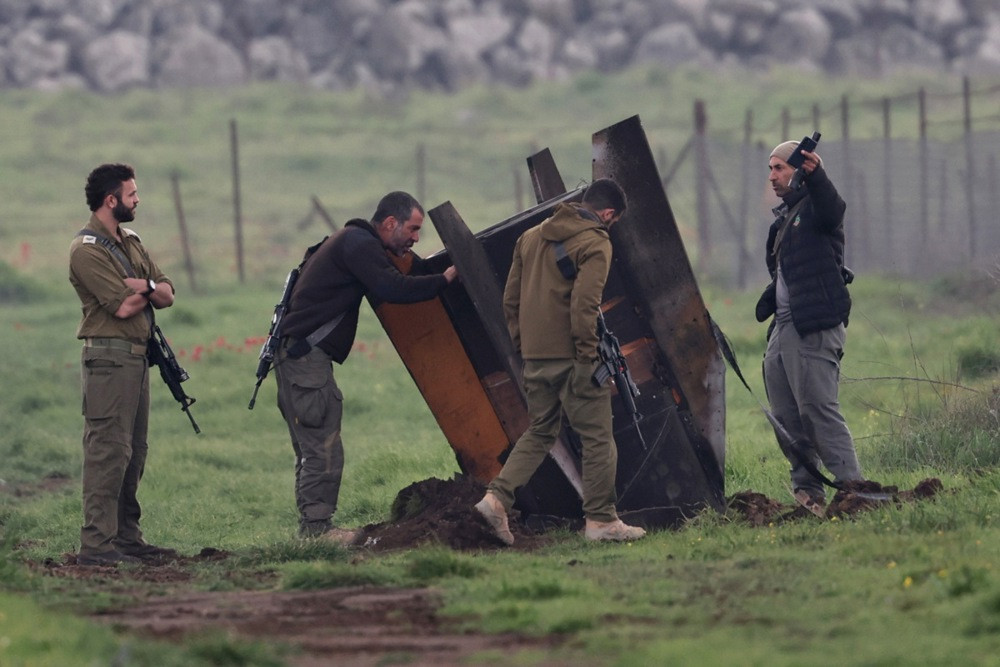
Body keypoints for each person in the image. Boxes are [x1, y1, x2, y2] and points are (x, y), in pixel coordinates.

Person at [275, 191, 458, 543]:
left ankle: (312, 527)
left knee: (315, 446)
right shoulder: (359, 245)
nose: (416, 238)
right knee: (323, 447)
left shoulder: (351, 240)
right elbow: (393, 287)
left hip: (298, 358)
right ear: (390, 223)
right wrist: (444, 280)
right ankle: (316, 531)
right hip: (305, 361)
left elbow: (397, 271)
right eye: (413, 229)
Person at [474, 178, 646, 544]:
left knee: (540, 431)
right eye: (612, 221)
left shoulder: (531, 237)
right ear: (609, 214)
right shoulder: (596, 241)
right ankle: (601, 521)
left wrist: (526, 346)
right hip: (574, 358)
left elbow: (510, 301)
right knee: (598, 437)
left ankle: (496, 499)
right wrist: (586, 357)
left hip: (536, 358)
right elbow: (585, 305)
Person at [69, 163, 178, 566]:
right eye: (131, 195)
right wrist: (145, 291)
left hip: (136, 358)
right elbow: (122, 306)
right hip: (108, 360)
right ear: (110, 200)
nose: (137, 200)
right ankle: (97, 545)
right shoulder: (85, 250)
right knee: (108, 452)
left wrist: (146, 286)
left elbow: (165, 293)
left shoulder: (130, 240)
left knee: (135, 452)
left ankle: (127, 538)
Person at [755, 140, 864, 513]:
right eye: (770, 168)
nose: (772, 176)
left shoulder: (816, 208)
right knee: (786, 415)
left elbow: (834, 210)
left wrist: (818, 178)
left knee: (818, 408)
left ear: (799, 170)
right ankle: (808, 491)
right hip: (783, 330)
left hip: (814, 326)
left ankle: (855, 490)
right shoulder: (784, 218)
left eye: (779, 168)